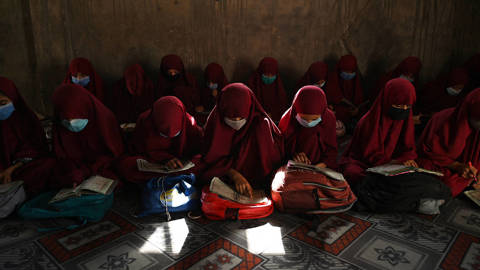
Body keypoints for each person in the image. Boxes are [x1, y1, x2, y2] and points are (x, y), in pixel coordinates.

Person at [200, 83, 284, 196]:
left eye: (241, 117)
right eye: (231, 118)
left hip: (256, 181)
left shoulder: (261, 125)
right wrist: (233, 174)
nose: (236, 121)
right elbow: (210, 158)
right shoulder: (216, 120)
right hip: (225, 174)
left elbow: (269, 164)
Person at [340, 78, 417, 184]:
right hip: (364, 163)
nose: (403, 109)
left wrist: (407, 159)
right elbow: (370, 155)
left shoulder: (405, 119)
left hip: (394, 164)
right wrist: (396, 162)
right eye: (398, 106)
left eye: (407, 106)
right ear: (387, 101)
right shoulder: (369, 122)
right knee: (354, 174)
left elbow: (408, 146)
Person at [116, 96, 204, 184]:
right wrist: (165, 159)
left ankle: (163, 180)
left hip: (182, 163)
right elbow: (138, 149)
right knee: (127, 165)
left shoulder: (189, 123)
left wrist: (184, 160)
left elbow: (198, 149)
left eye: (177, 134)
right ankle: (176, 179)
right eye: (163, 135)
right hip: (156, 163)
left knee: (201, 163)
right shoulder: (145, 120)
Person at [51, 84, 124, 188]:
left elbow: (114, 153)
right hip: (77, 168)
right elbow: (61, 154)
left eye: (76, 117)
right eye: (67, 120)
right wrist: (72, 171)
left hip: (100, 166)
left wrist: (87, 171)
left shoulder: (104, 118)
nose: (71, 123)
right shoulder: (59, 125)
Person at [417, 88, 480, 197]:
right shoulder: (443, 119)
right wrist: (456, 166)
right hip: (439, 165)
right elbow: (427, 152)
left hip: (467, 171)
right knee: (448, 185)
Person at [0, 77, 55, 195]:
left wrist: (10, 170)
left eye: (3, 103)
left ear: (13, 99)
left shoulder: (26, 119)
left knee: (47, 166)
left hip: (21, 168)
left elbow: (34, 149)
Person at [279, 86, 338, 169]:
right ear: (295, 111)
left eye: (314, 119)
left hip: (321, 165)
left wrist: (320, 166)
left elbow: (331, 150)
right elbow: (282, 149)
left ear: (322, 112)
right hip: (295, 164)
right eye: (303, 118)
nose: (309, 123)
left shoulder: (328, 118)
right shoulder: (287, 120)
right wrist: (294, 155)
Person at [107, 64, 156, 129]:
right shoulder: (119, 89)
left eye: (137, 80)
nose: (133, 85)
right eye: (130, 82)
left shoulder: (148, 88)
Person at [324, 55, 365, 132]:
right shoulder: (332, 82)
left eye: (351, 72)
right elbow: (328, 105)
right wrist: (345, 111)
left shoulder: (356, 82)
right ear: (340, 70)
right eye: (346, 72)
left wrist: (357, 111)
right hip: (337, 120)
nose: (349, 75)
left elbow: (360, 101)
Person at [247, 57, 288, 122]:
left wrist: (274, 115)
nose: (269, 77)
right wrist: (262, 115)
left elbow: (283, 107)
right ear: (260, 72)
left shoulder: (279, 88)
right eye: (266, 74)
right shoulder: (252, 86)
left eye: (272, 75)